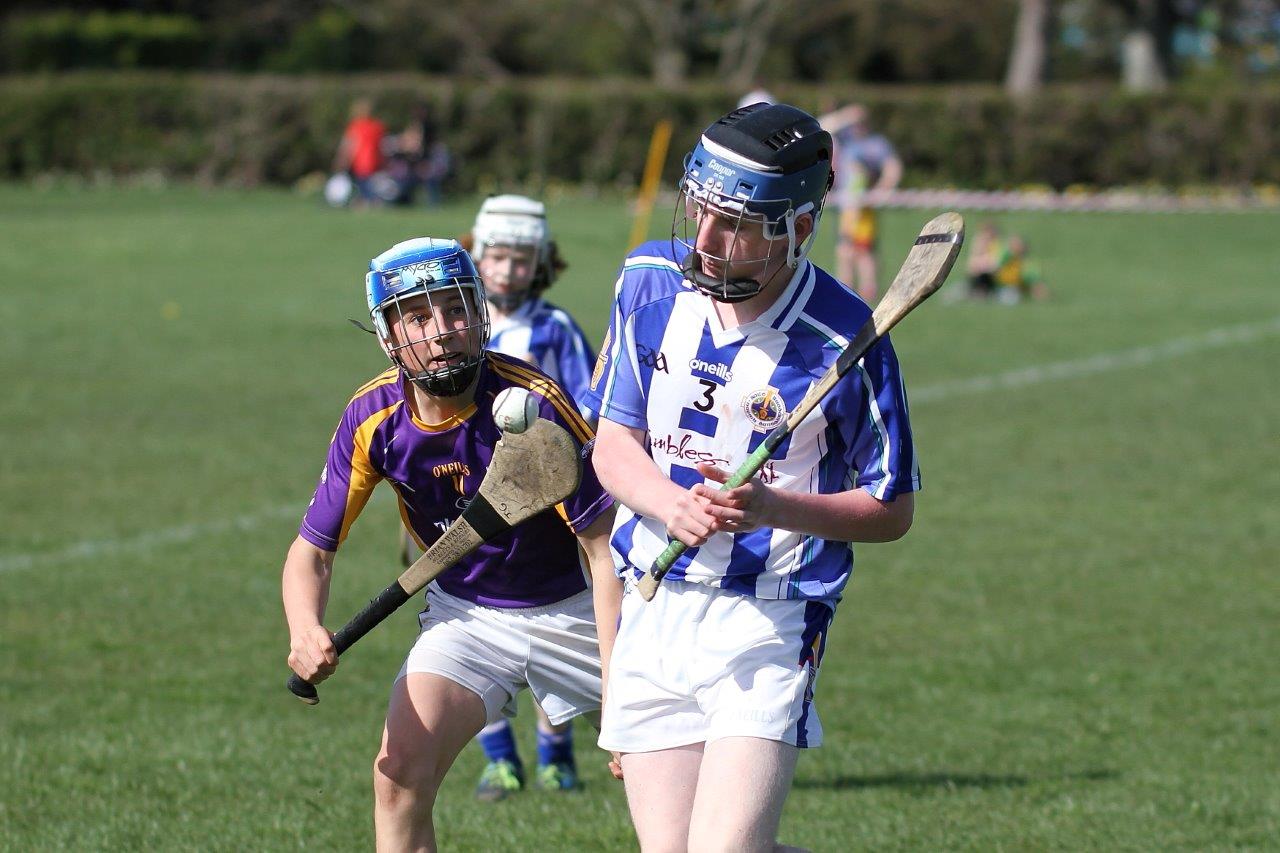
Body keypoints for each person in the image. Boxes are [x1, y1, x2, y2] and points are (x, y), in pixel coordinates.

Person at [584, 103, 919, 852]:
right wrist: (671, 503)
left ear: (799, 228)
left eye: (734, 223)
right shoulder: (646, 281)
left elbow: (891, 506)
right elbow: (612, 443)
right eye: (699, 210)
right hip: (652, 607)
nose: (703, 240)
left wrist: (772, 506)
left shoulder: (847, 337)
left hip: (768, 618)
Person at [282, 237, 619, 851]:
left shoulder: (535, 402)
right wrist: (306, 627)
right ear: (389, 335)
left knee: (676, 797)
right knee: (397, 777)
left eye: (456, 309)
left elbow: (604, 554)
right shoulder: (373, 417)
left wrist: (625, 695)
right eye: (418, 317)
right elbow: (314, 551)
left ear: (480, 311)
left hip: (577, 611)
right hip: (468, 618)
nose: (443, 331)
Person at [454, 194, 600, 800]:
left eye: (522, 260)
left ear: (539, 262)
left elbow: (589, 407)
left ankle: (555, 754)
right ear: (477, 255)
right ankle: (497, 760)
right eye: (498, 258)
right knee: (472, 619)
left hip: (545, 504)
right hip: (467, 498)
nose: (509, 271)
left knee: (551, 625)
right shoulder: (457, 328)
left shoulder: (554, 329)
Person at [819, 103, 902, 302]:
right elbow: (821, 128)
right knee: (844, 249)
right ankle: (845, 291)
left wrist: (881, 191)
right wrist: (845, 116)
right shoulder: (846, 139)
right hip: (847, 204)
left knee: (863, 250)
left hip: (863, 206)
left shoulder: (876, 143)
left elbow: (893, 167)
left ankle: (868, 293)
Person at [332, 98, 387, 206]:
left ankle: (366, 202)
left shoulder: (355, 126)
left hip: (360, 162)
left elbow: (348, 145)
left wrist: (341, 160)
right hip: (374, 161)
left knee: (364, 187)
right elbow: (382, 146)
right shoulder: (377, 126)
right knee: (368, 186)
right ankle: (369, 201)